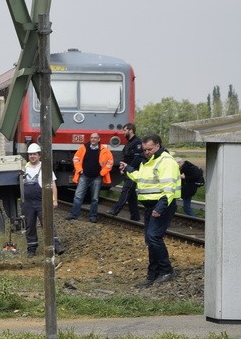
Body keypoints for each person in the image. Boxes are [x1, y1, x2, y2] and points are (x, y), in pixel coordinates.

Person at [122, 134, 181, 287]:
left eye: (150, 149)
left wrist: (160, 207)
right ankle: (152, 275)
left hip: (162, 205)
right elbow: (142, 179)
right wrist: (128, 169)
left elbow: (168, 188)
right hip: (150, 206)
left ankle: (166, 270)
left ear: (158, 145)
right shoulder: (149, 161)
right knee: (150, 240)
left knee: (154, 237)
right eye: (145, 149)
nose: (147, 152)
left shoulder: (166, 161)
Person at [22, 143, 63, 257]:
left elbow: (52, 185)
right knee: (30, 225)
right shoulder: (24, 168)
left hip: (42, 202)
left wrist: (54, 200)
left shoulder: (45, 168)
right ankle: (31, 248)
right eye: (30, 154)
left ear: (39, 155)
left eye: (34, 154)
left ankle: (56, 246)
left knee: (47, 223)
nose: (32, 156)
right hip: (28, 203)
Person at [66, 132, 114, 223]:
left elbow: (110, 162)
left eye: (95, 138)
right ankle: (73, 215)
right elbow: (76, 158)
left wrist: (102, 173)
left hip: (97, 177)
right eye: (91, 138)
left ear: (99, 139)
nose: (93, 139)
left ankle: (93, 216)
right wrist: (80, 170)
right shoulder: (84, 147)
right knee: (78, 196)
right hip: (84, 175)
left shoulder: (105, 150)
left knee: (95, 198)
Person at [109, 123, 142, 221]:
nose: (123, 132)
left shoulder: (137, 143)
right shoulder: (129, 143)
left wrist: (128, 167)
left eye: (125, 130)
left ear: (131, 130)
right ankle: (135, 216)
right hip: (128, 170)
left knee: (126, 190)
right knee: (131, 196)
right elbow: (126, 156)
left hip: (133, 171)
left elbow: (137, 158)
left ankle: (115, 210)